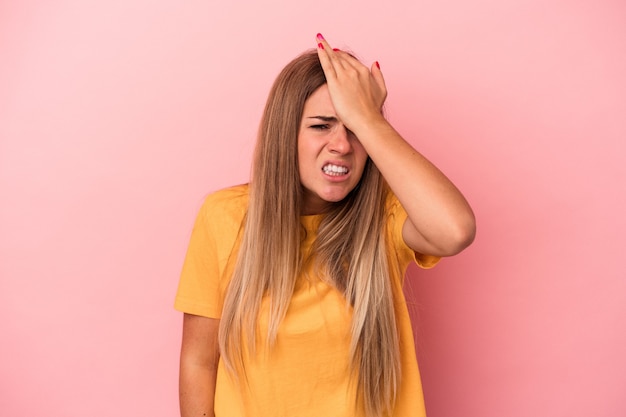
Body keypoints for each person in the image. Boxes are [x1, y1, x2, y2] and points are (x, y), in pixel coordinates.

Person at [175, 33, 475, 417]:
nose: (343, 145)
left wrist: (369, 119)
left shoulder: (384, 218)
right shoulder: (224, 216)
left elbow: (455, 230)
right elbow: (199, 363)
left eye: (354, 129)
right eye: (321, 126)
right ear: (286, 134)